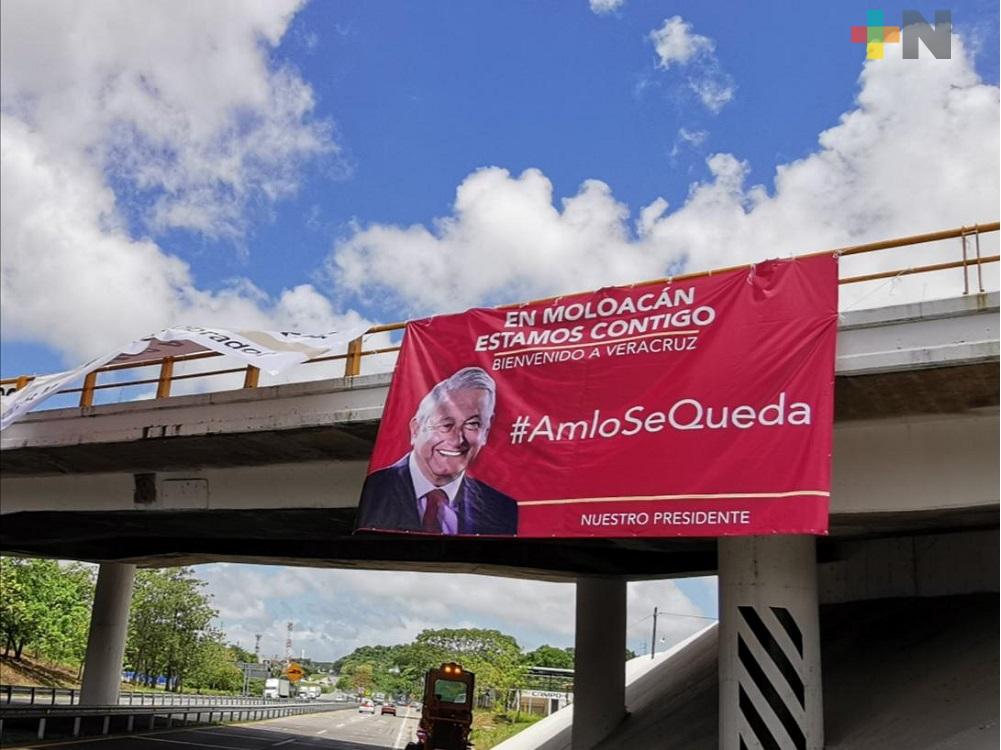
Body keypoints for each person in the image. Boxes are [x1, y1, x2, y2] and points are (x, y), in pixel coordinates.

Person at [357, 366, 518, 535]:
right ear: (416, 429)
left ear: (486, 431)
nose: (457, 440)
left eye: (473, 424)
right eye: (445, 425)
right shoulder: (375, 489)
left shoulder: (500, 509)